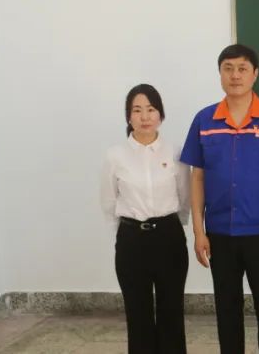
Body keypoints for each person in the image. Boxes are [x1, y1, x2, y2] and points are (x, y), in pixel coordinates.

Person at [180, 44, 259, 354]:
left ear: (255, 74)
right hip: (220, 233)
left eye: (242, 69)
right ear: (220, 74)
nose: (235, 75)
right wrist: (199, 232)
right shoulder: (205, 120)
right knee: (226, 310)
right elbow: (197, 177)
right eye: (228, 69)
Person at [100, 83, 190, 354]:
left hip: (169, 237)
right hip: (132, 240)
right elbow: (108, 202)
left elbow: (185, 197)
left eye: (151, 109)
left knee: (171, 312)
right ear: (128, 116)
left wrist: (171, 226)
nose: (145, 116)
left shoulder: (175, 152)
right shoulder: (115, 155)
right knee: (137, 313)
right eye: (137, 110)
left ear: (160, 114)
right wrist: (124, 233)